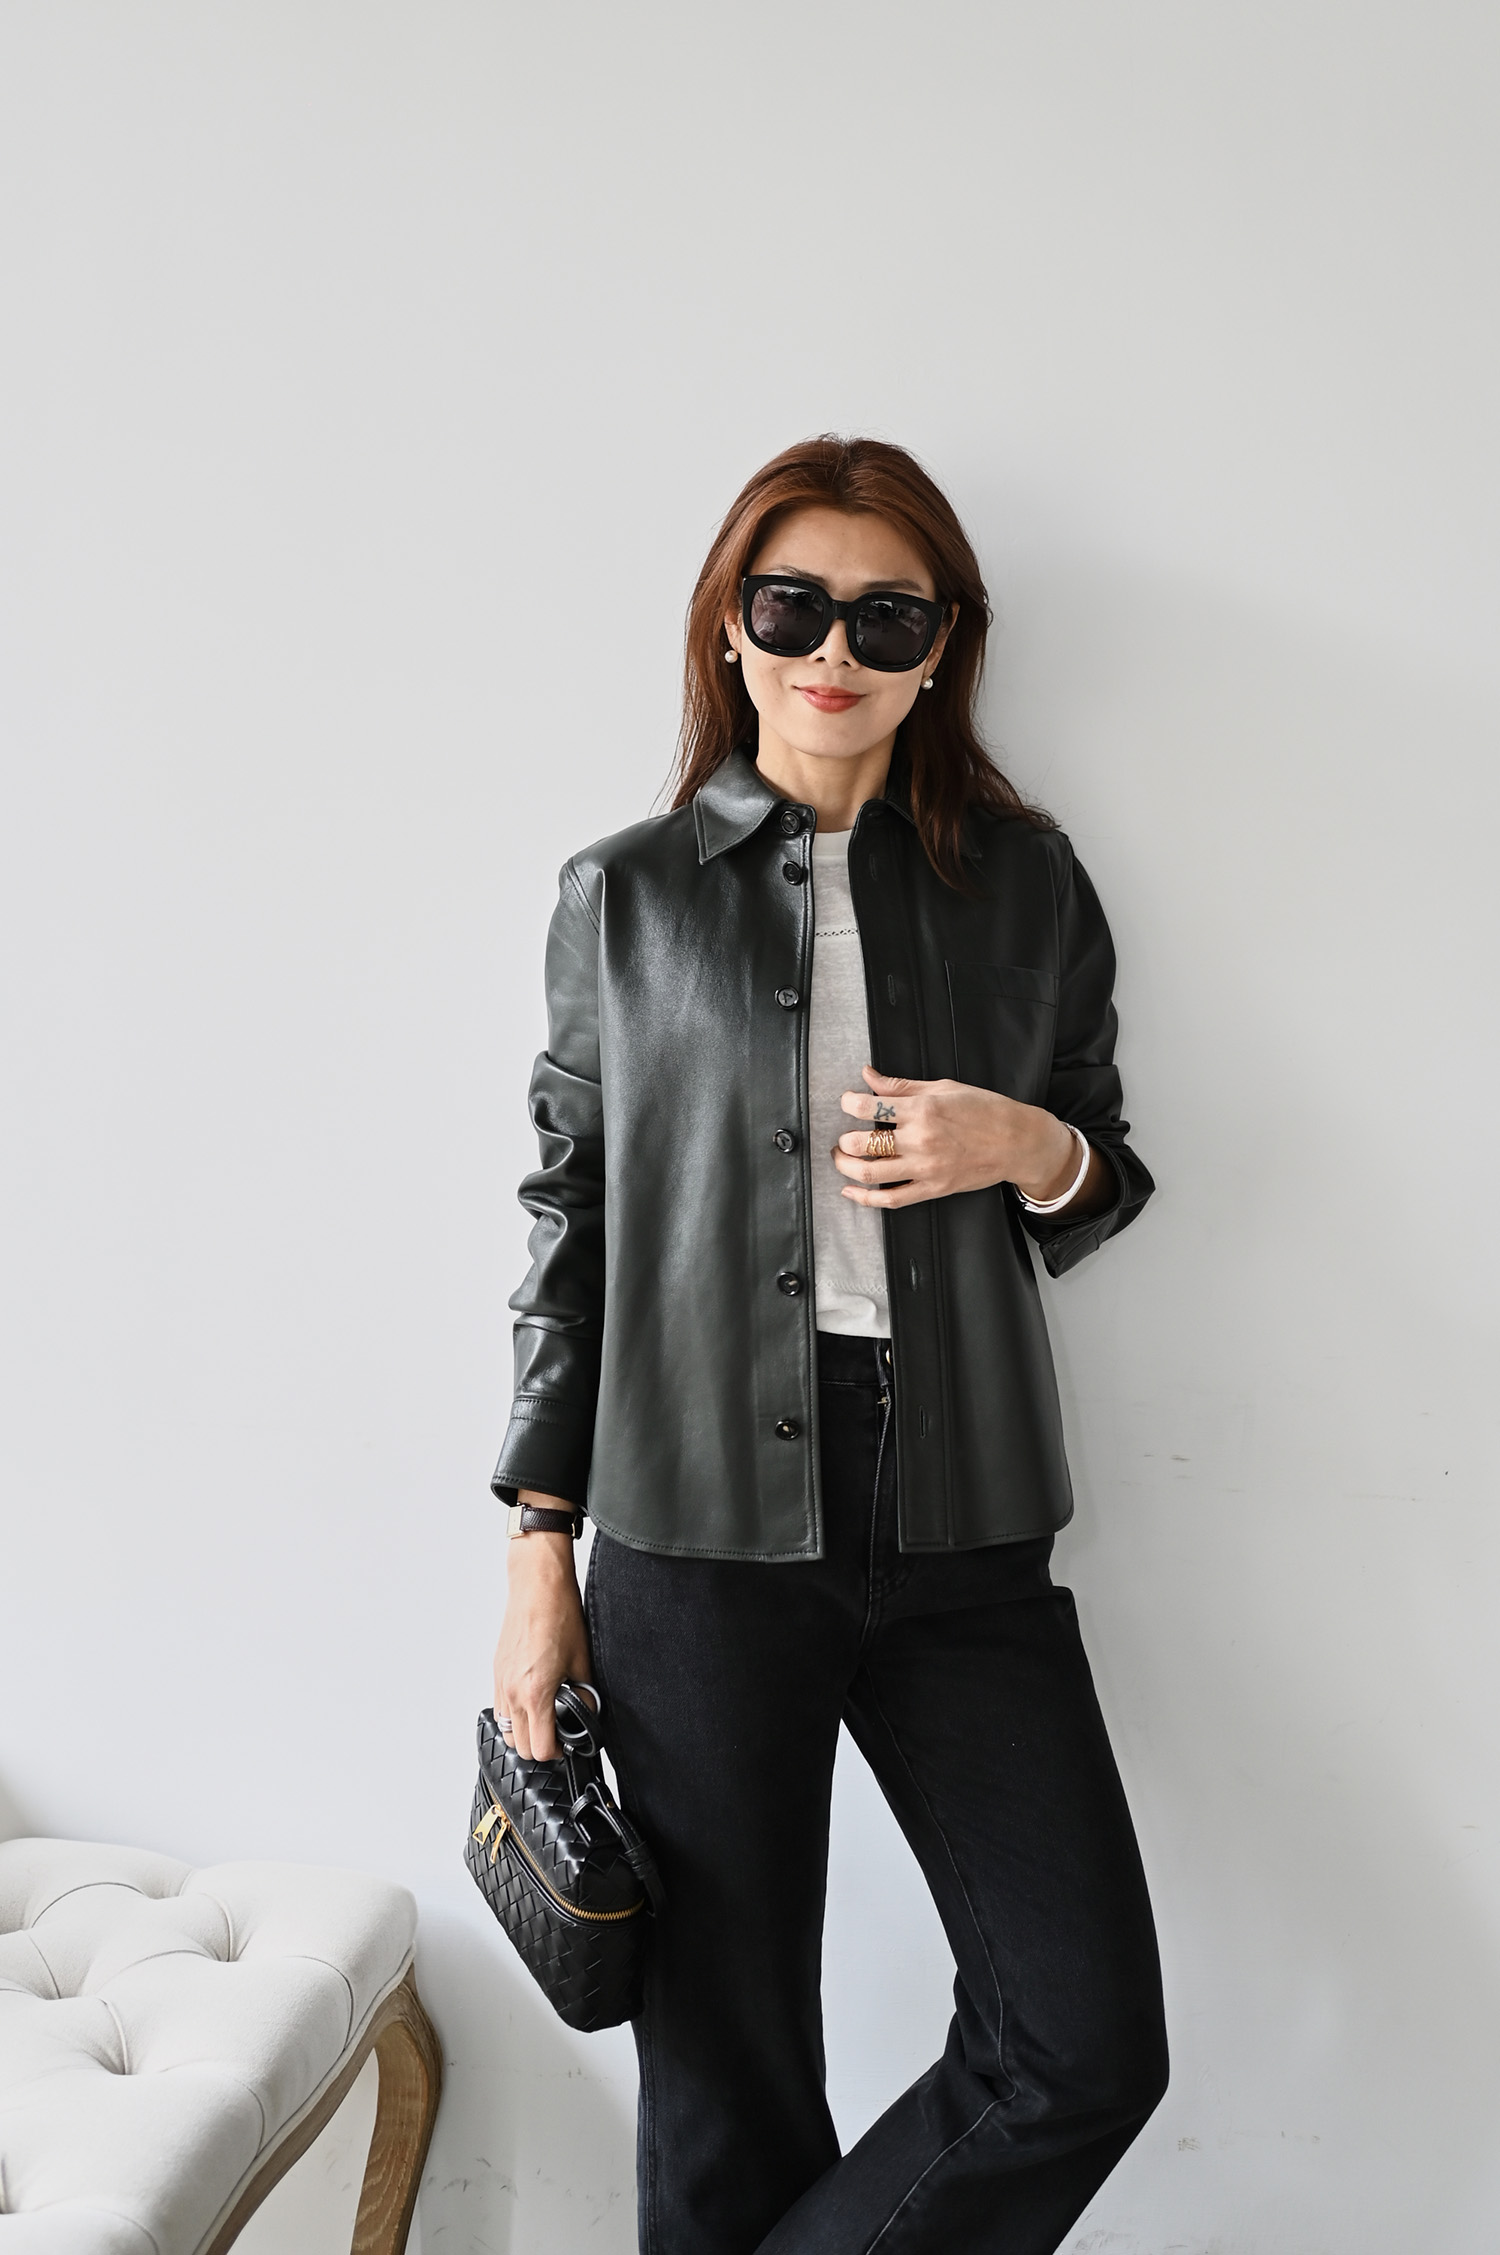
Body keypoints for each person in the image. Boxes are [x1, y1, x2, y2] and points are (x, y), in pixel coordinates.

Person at [490, 434, 1168, 2255]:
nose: (835, 651)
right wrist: (538, 1555)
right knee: (728, 2088)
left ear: (944, 647)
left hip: (963, 1515)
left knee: (1082, 2045)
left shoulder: (1027, 882)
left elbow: (1103, 1176)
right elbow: (571, 1226)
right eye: (791, 607)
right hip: (694, 1525)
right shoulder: (624, 896)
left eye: (888, 616)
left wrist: (1026, 1146)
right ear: (730, 625)